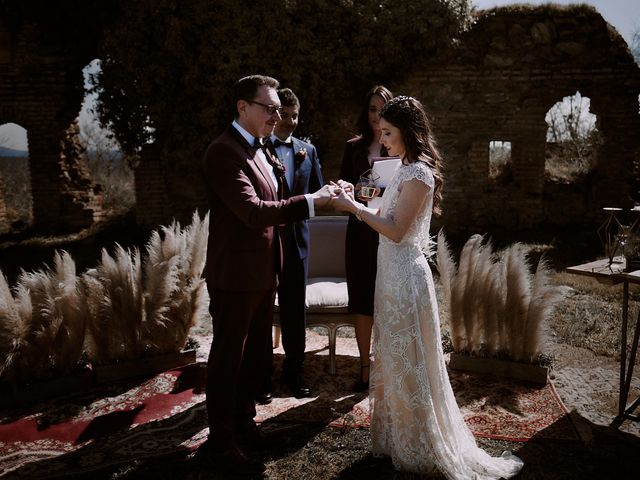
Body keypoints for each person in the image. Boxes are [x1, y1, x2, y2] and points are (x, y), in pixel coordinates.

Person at [330, 96, 524, 478]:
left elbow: (397, 230)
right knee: (391, 357)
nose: (381, 140)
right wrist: (350, 193)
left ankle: (420, 442)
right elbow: (375, 202)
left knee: (411, 360)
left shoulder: (419, 174)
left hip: (405, 277)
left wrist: (354, 208)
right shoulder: (395, 167)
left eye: (388, 133)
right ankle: (395, 438)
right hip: (387, 274)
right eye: (381, 132)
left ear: (408, 132)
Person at [200, 74, 332, 478]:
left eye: (278, 108)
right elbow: (254, 211)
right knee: (229, 360)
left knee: (256, 360)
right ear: (243, 107)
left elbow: (275, 198)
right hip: (235, 274)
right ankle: (220, 443)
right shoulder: (224, 152)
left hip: (263, 273)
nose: (276, 115)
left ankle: (244, 423)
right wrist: (311, 202)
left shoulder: (259, 149)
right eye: (269, 108)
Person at [255, 88, 324, 404]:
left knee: (295, 311)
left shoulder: (307, 150)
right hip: (266, 243)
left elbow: (317, 194)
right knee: (263, 310)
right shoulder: (258, 149)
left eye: (297, 116)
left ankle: (294, 373)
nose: (292, 121)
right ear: (275, 113)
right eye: (286, 114)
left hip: (297, 244)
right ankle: (261, 378)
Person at [338, 85, 393, 391]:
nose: (376, 116)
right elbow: (346, 191)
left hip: (389, 233)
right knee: (362, 302)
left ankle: (386, 366)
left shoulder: (399, 146)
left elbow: (398, 193)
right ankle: (364, 367)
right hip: (359, 234)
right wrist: (360, 193)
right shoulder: (353, 148)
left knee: (386, 299)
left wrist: (367, 193)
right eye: (372, 109)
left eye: (382, 109)